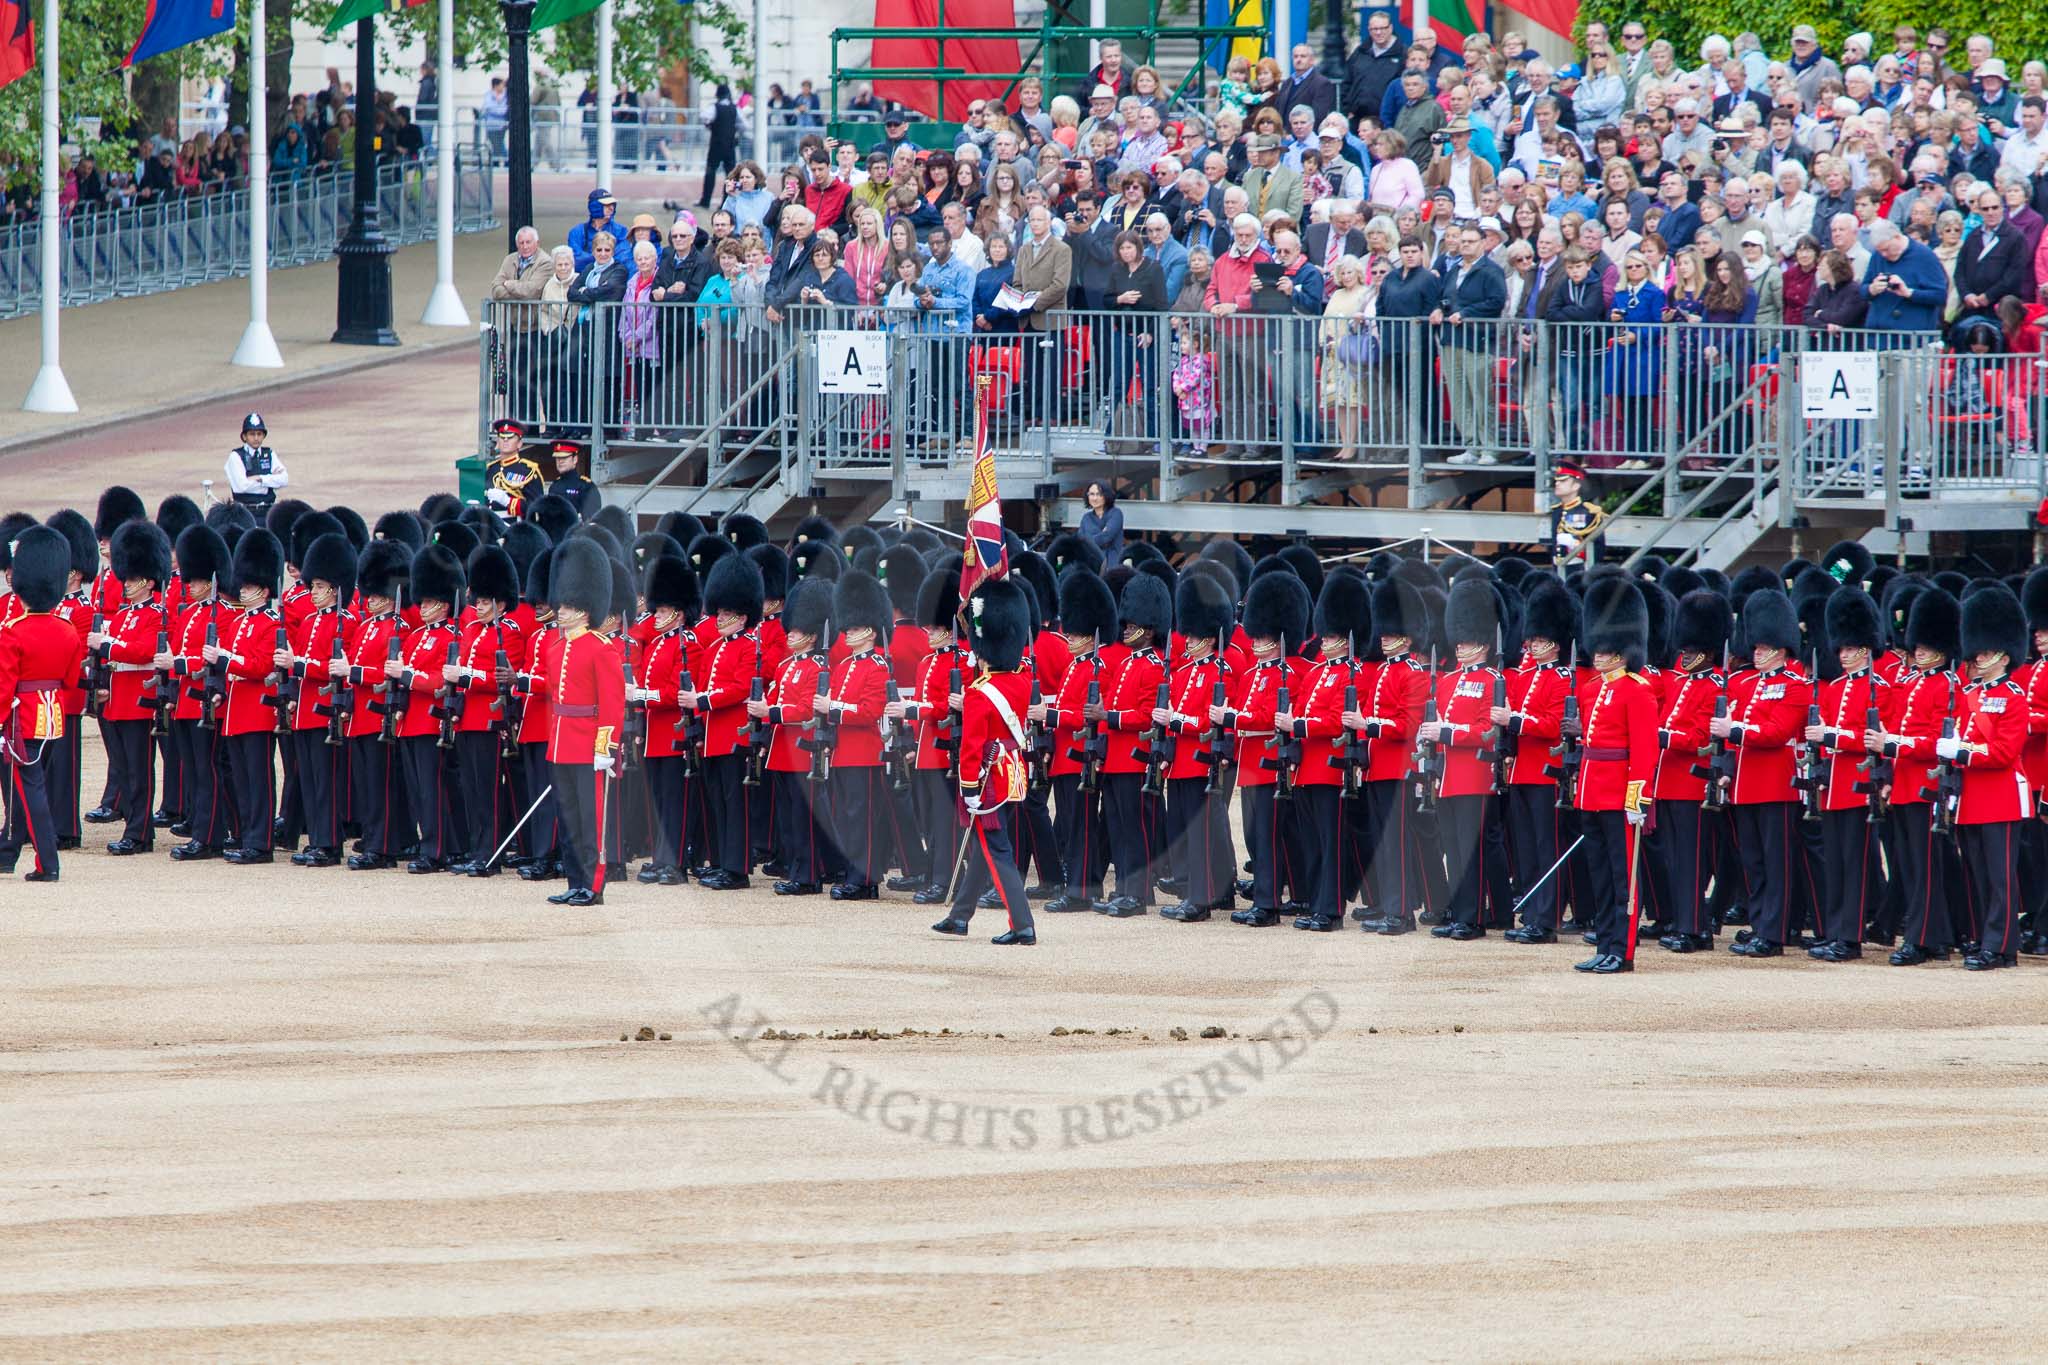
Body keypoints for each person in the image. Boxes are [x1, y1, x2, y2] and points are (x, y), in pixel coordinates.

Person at [930, 576, 1039, 945]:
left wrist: (970, 788)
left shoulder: (980, 694)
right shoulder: (1022, 679)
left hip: (988, 777)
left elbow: (972, 748)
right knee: (984, 848)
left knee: (998, 850)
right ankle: (960, 916)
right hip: (1012, 771)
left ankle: (1022, 923)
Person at [1571, 573, 1659, 973]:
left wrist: (1637, 798)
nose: (1599, 655)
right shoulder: (1591, 689)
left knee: (1625, 878)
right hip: (1591, 792)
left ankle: (1622, 951)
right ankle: (1605, 942)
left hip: (1620, 795)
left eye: (1606, 650)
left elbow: (1645, 749)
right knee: (1601, 876)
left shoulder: (1637, 690)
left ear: (1622, 651)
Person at [536, 539, 624, 907]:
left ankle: (594, 884)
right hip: (560, 743)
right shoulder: (556, 648)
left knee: (592, 822)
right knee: (569, 819)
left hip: (589, 744)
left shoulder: (602, 648)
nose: (561, 611)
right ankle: (575, 880)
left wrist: (605, 748)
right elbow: (553, 693)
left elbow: (612, 703)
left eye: (569, 607)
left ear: (585, 611)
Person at [0, 528, 84, 881]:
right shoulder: (66, 629)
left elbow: (4, 687)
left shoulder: (13, 631)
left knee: (30, 790)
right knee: (30, 787)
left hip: (22, 717)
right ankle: (11, 853)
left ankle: (47, 863)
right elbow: (70, 679)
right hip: (53, 716)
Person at [1433, 225, 1508, 465]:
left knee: (1481, 395)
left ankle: (1489, 448)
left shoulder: (1491, 270)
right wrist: (1437, 309)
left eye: (1471, 241)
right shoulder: (1453, 269)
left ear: (1482, 243)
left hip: (1477, 340)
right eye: (1463, 241)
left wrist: (1466, 313)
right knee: (1458, 395)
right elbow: (1444, 297)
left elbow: (1496, 302)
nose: (1465, 245)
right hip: (1451, 339)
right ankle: (1470, 446)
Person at [226, 413, 289, 510]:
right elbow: (242, 486)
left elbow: (284, 479)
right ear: (244, 437)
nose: (256, 438)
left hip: (268, 510)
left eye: (259, 434)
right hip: (245, 512)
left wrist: (261, 478)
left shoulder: (269, 454)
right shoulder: (236, 456)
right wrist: (269, 485)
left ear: (264, 436)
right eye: (252, 434)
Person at [698, 84, 739, 207]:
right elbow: (744, 125)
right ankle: (725, 202)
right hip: (730, 146)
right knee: (730, 175)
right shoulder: (735, 108)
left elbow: (703, 116)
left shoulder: (715, 107)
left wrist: (709, 124)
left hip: (716, 145)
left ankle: (706, 200)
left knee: (710, 172)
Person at [1078, 482, 1122, 560]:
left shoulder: (1116, 513)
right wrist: (1101, 534)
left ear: (1106, 495)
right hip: (1091, 563)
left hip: (1111, 564)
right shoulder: (1086, 518)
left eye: (1099, 494)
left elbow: (1106, 537)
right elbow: (1080, 541)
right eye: (1092, 494)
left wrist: (1088, 539)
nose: (1095, 498)